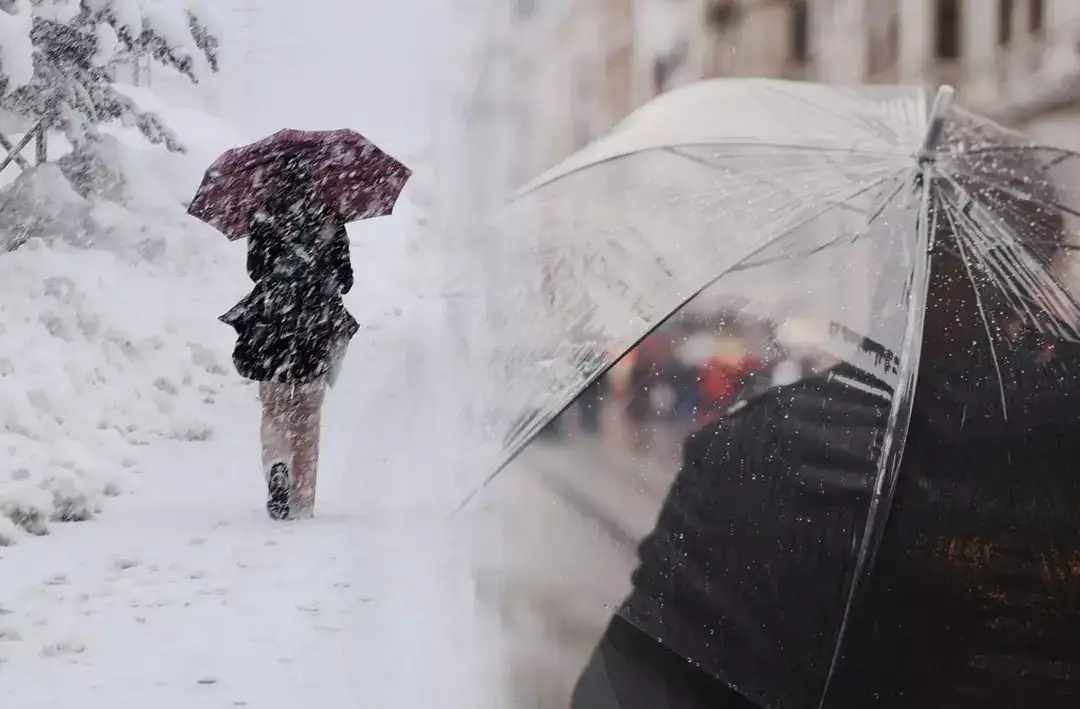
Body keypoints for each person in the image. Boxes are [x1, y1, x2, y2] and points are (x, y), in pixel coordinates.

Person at [569, 194, 1080, 707]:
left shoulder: (751, 451)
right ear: (1033, 282)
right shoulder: (1057, 457)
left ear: (884, 264)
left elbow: (624, 688)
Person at [220, 158, 359, 521]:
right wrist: (319, 271)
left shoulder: (264, 214)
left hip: (273, 330)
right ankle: (302, 498)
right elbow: (345, 279)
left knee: (275, 408)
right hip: (317, 327)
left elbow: (255, 271)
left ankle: (278, 466)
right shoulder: (330, 216)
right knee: (308, 416)